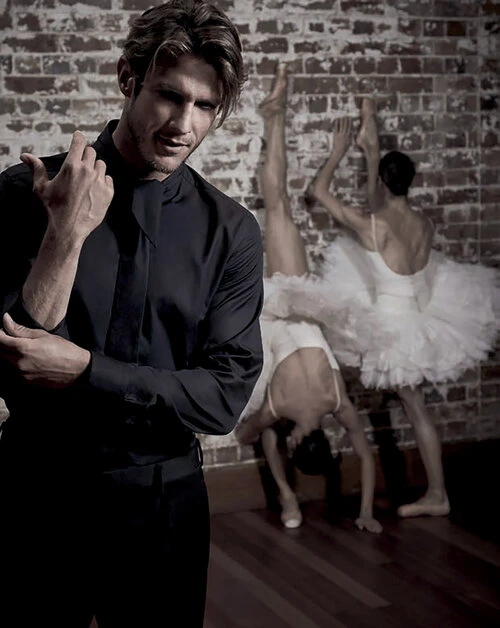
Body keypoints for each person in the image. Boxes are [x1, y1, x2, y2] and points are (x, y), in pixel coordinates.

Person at [0, 2, 263, 626]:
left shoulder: (231, 232)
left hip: (163, 505)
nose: (184, 125)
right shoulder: (24, 192)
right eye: (170, 96)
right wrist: (65, 235)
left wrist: (88, 370)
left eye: (205, 106)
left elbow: (221, 399)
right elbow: (9, 365)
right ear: (128, 77)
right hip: (34, 493)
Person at [268, 94, 499, 518]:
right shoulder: (424, 223)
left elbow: (319, 192)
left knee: (415, 407)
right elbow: (381, 203)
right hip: (420, 314)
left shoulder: (373, 225)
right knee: (414, 406)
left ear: (381, 182)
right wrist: (370, 138)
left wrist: (338, 152)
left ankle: (438, 494)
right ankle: (435, 491)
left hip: (394, 328)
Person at [235, 63, 382, 535]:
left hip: (291, 300)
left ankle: (274, 115)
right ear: (299, 442)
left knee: (278, 202)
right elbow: (244, 433)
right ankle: (274, 114)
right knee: (276, 202)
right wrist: (266, 421)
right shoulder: (277, 410)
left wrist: (367, 512)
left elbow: (364, 454)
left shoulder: (338, 403)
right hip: (279, 300)